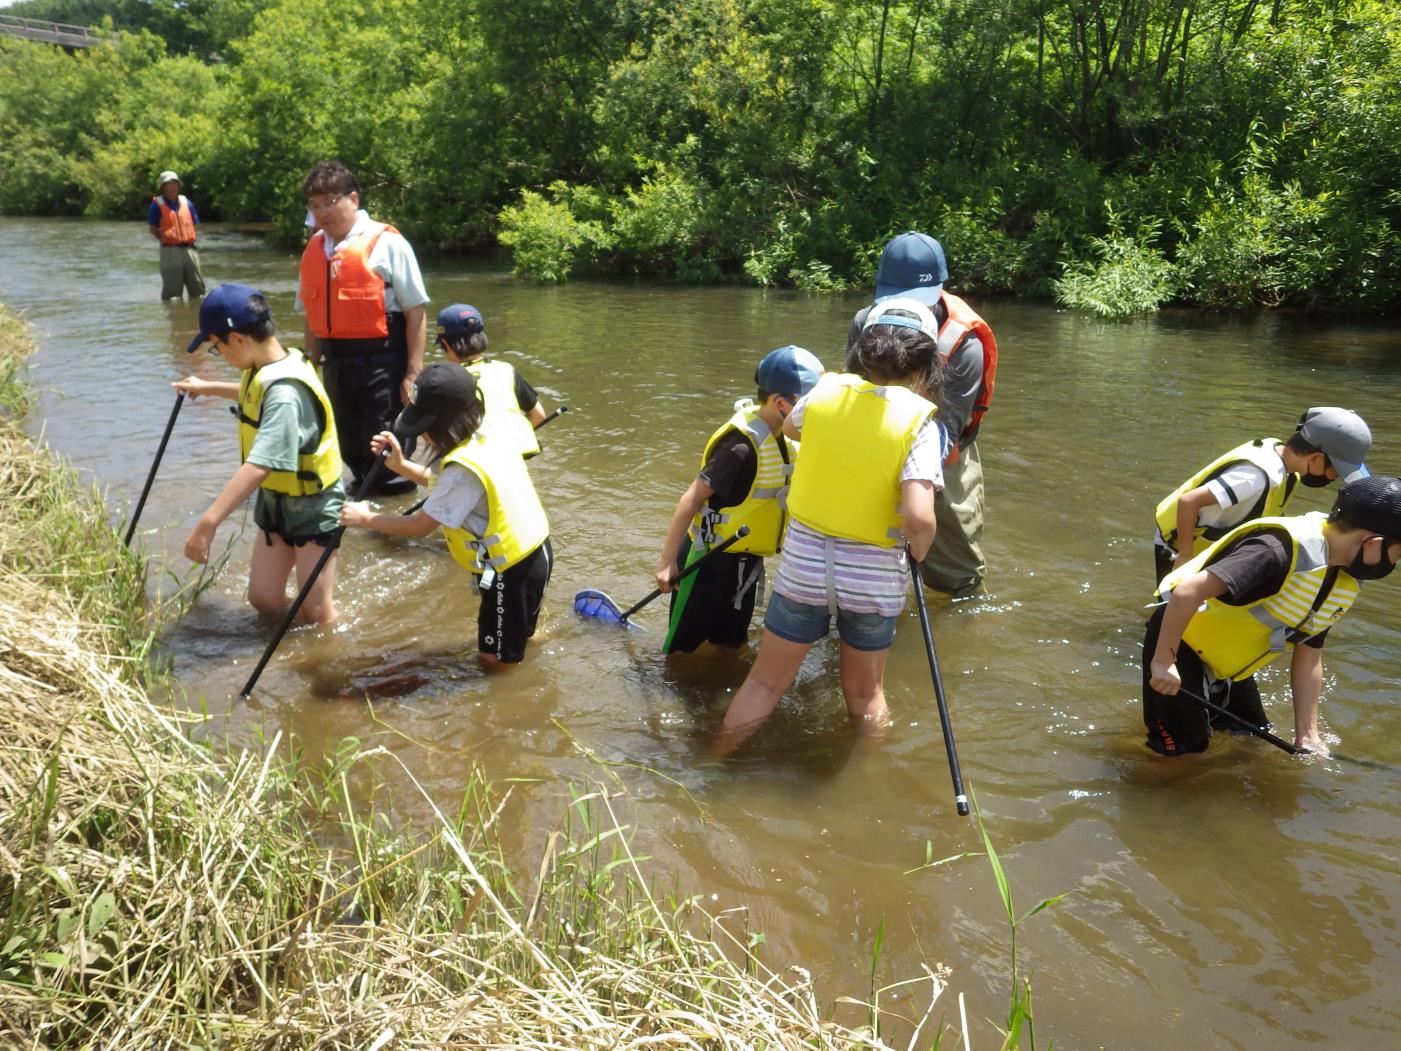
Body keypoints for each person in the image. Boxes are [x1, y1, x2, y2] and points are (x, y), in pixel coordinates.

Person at [713, 300, 946, 756]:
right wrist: (920, 548)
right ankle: (870, 782)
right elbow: (919, 516)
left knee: (763, 682)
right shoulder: (921, 422)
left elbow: (795, 430)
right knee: (865, 696)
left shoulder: (822, 391)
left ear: (864, 350)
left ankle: (714, 761)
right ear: (923, 367)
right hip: (873, 577)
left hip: (804, 567)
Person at [1144, 475, 1401, 758]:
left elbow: (1309, 655)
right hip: (1180, 645)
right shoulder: (1274, 551)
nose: (1395, 562)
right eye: (1397, 552)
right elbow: (1187, 592)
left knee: (1254, 738)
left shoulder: (1340, 577)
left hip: (1227, 660)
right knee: (1185, 754)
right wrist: (1163, 662)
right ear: (1373, 542)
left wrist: (1308, 735)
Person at [338, 363, 553, 668]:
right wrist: (400, 466)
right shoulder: (485, 433)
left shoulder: (462, 468)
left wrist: (365, 518)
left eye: (425, 427)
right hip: (535, 550)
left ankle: (513, 699)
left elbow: (419, 525)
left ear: (445, 424)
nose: (423, 435)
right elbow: (451, 491)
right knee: (521, 635)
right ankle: (536, 655)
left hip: (510, 572)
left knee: (493, 660)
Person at [174, 284, 345, 624]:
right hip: (276, 501)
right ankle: (291, 641)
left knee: (315, 611)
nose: (219, 355)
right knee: (264, 599)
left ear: (237, 338)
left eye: (216, 347)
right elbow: (253, 394)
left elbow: (260, 465)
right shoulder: (267, 366)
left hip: (314, 505)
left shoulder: (285, 394)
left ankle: (332, 658)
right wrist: (207, 387)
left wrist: (208, 523)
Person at [847, 231, 996, 597]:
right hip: (873, 443)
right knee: (861, 559)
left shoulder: (965, 344)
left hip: (942, 457)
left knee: (956, 579)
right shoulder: (864, 323)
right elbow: (853, 395)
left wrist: (911, 482)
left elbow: (947, 426)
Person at [653, 345, 824, 653]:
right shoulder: (739, 448)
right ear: (782, 403)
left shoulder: (786, 437)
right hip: (705, 562)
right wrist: (666, 563)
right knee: (681, 649)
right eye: (809, 404)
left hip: (745, 564)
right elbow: (691, 499)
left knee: (731, 643)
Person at [296, 161, 429, 496]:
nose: (322, 212)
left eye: (329, 202)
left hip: (383, 363)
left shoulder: (388, 243)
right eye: (314, 205)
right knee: (348, 446)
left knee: (384, 446)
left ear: (352, 199)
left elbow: (416, 312)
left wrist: (413, 373)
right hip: (335, 365)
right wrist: (307, 367)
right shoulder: (313, 248)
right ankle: (363, 517)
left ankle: (394, 529)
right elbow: (311, 315)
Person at [1153, 407, 1372, 582]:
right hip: (1177, 546)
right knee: (1168, 610)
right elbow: (1189, 501)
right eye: (1335, 470)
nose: (1334, 478)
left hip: (1204, 545)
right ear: (1315, 458)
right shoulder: (1255, 477)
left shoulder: (1284, 464)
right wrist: (1184, 556)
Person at [435, 304, 549, 458]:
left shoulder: (447, 379)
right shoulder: (507, 370)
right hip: (514, 458)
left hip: (478, 464)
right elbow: (538, 415)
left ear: (446, 345)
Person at [147, 170, 206, 301]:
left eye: (175, 183)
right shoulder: (156, 205)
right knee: (172, 295)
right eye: (169, 184)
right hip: (169, 251)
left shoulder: (187, 203)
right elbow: (153, 228)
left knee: (198, 291)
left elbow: (194, 225)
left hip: (190, 250)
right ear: (163, 187)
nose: (173, 186)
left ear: (179, 185)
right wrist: (166, 239)